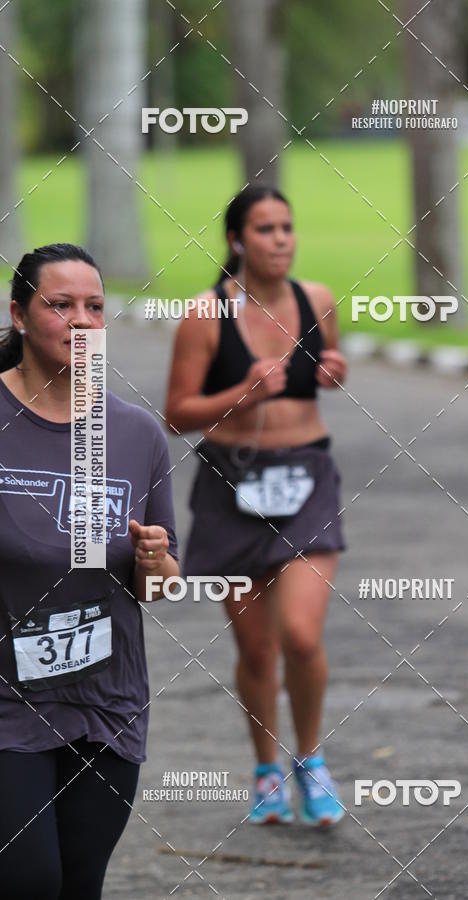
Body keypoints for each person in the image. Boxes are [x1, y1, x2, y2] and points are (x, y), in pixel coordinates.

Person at [0, 243, 179, 899]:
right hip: (7, 703)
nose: (82, 321)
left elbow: (157, 586)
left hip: (106, 701)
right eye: (61, 305)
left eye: (95, 307)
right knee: (29, 880)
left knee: (79, 884)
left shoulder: (134, 434)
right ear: (19, 315)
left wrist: (156, 561)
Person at [165, 186, 347, 825]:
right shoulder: (204, 315)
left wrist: (332, 373)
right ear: (237, 241)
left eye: (287, 227)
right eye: (266, 229)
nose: (281, 240)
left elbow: (327, 370)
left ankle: (311, 760)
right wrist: (240, 393)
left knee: (300, 635)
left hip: (306, 478)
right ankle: (267, 769)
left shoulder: (316, 300)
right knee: (256, 650)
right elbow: (176, 414)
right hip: (231, 485)